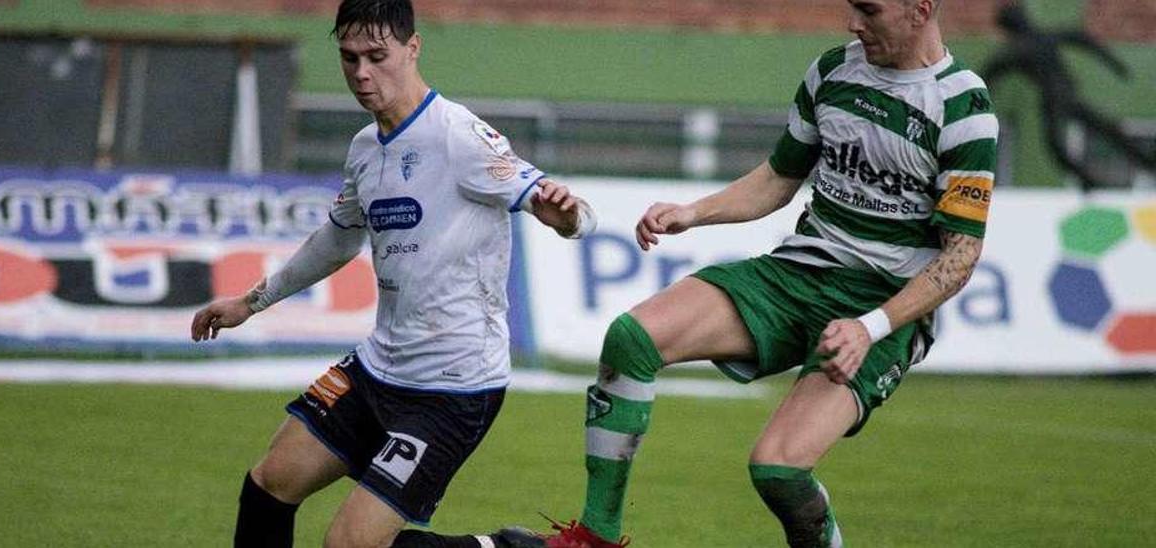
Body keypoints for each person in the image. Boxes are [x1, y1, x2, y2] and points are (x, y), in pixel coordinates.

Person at [497, 0, 996, 546]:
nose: (853, 23)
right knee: (632, 338)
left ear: (920, 8)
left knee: (778, 471)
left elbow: (959, 257)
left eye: (869, 10)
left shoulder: (962, 106)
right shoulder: (833, 71)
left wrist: (870, 326)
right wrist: (695, 213)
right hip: (799, 273)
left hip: (882, 305)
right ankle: (596, 536)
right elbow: (779, 178)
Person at [189, 1, 597, 546]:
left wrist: (568, 215)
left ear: (413, 48)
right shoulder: (364, 148)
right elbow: (337, 239)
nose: (362, 73)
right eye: (349, 58)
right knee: (269, 483)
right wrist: (252, 301)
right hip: (378, 367)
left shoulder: (459, 136)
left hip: (452, 389)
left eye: (377, 56)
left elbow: (569, 213)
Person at [984, 1, 1154, 191]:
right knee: (1103, 130)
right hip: (1068, 94)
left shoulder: (1018, 50)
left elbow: (991, 72)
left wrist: (977, 95)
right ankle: (1133, 166)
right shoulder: (1044, 38)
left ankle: (1091, 179)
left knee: (1060, 146)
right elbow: (1083, 40)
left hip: (1054, 99)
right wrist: (1115, 65)